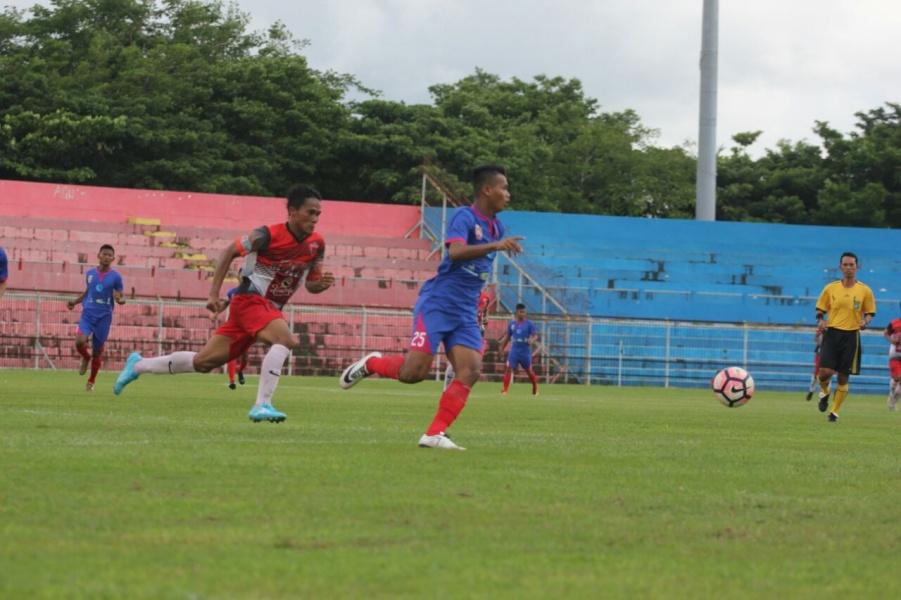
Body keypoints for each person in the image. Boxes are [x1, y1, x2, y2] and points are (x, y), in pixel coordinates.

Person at [113, 185, 335, 422]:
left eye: (318, 214)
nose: (315, 219)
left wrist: (321, 284)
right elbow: (230, 251)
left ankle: (139, 365)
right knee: (285, 339)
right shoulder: (266, 235)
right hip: (250, 300)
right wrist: (213, 294)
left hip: (264, 311)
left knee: (203, 362)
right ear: (292, 211)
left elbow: (311, 284)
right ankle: (262, 405)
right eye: (310, 212)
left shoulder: (317, 244)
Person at [339, 165, 523, 450]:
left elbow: (479, 268)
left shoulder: (495, 226)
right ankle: (372, 363)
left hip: (464, 310)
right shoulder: (465, 216)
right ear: (488, 189)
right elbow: (456, 252)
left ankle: (434, 433)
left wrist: (481, 294)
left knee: (471, 369)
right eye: (504, 188)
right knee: (414, 373)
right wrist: (495, 246)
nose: (508, 194)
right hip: (438, 303)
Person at [814, 251, 876, 422]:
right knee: (824, 373)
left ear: (857, 267)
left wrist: (866, 321)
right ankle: (825, 392)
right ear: (840, 267)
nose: (849, 268)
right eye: (845, 265)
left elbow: (870, 312)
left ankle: (834, 412)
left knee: (843, 376)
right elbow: (820, 308)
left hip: (851, 336)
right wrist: (820, 320)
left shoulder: (865, 290)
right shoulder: (831, 288)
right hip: (832, 333)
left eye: (852, 265)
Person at [66, 244, 125, 391]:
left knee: (97, 352)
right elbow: (88, 292)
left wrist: (120, 300)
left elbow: (119, 294)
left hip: (104, 317)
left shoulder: (116, 277)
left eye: (109, 255)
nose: (106, 257)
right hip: (88, 314)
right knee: (80, 342)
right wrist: (75, 301)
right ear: (98, 255)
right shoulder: (90, 273)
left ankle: (91, 380)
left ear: (113, 258)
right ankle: (86, 357)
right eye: (104, 254)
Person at [443, 287, 493, 391]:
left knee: (473, 364)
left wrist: (483, 326)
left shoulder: (485, 298)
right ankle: (447, 388)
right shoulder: (464, 295)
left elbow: (485, 314)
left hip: (477, 332)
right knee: (456, 362)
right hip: (464, 331)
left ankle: (458, 388)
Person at [498, 303, 540, 396]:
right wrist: (501, 348)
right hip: (515, 350)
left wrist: (531, 340)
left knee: (529, 371)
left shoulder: (529, 324)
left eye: (524, 312)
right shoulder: (512, 324)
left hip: (525, 350)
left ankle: (535, 386)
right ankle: (505, 390)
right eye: (521, 312)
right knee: (509, 368)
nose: (523, 314)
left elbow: (535, 336)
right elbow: (507, 337)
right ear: (517, 312)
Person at [220, 287, 249, 390]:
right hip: (233, 325)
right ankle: (232, 381)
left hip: (246, 327)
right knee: (232, 354)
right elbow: (225, 303)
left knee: (245, 357)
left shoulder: (253, 292)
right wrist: (215, 313)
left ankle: (240, 371)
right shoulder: (231, 292)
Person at [884, 303, 901, 411]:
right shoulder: (894, 323)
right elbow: (885, 333)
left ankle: (894, 400)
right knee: (897, 377)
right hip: (895, 354)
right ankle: (892, 393)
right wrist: (892, 341)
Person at [805, 329, 824, 402]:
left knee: (826, 375)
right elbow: (817, 341)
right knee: (816, 376)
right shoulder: (820, 330)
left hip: (828, 355)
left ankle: (822, 397)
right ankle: (811, 390)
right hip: (819, 355)